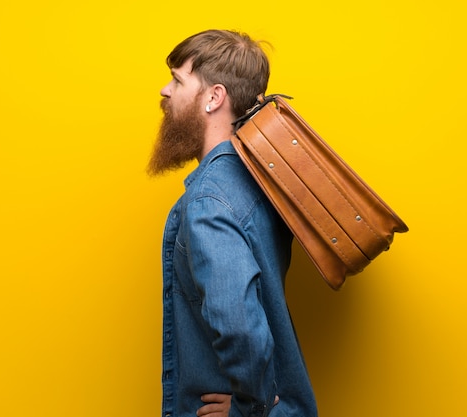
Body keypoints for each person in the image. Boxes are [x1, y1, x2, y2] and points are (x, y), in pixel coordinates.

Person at [147, 29, 318, 417]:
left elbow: (239, 327)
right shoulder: (260, 180)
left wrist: (248, 409)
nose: (165, 90)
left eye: (177, 80)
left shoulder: (210, 202)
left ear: (214, 97)